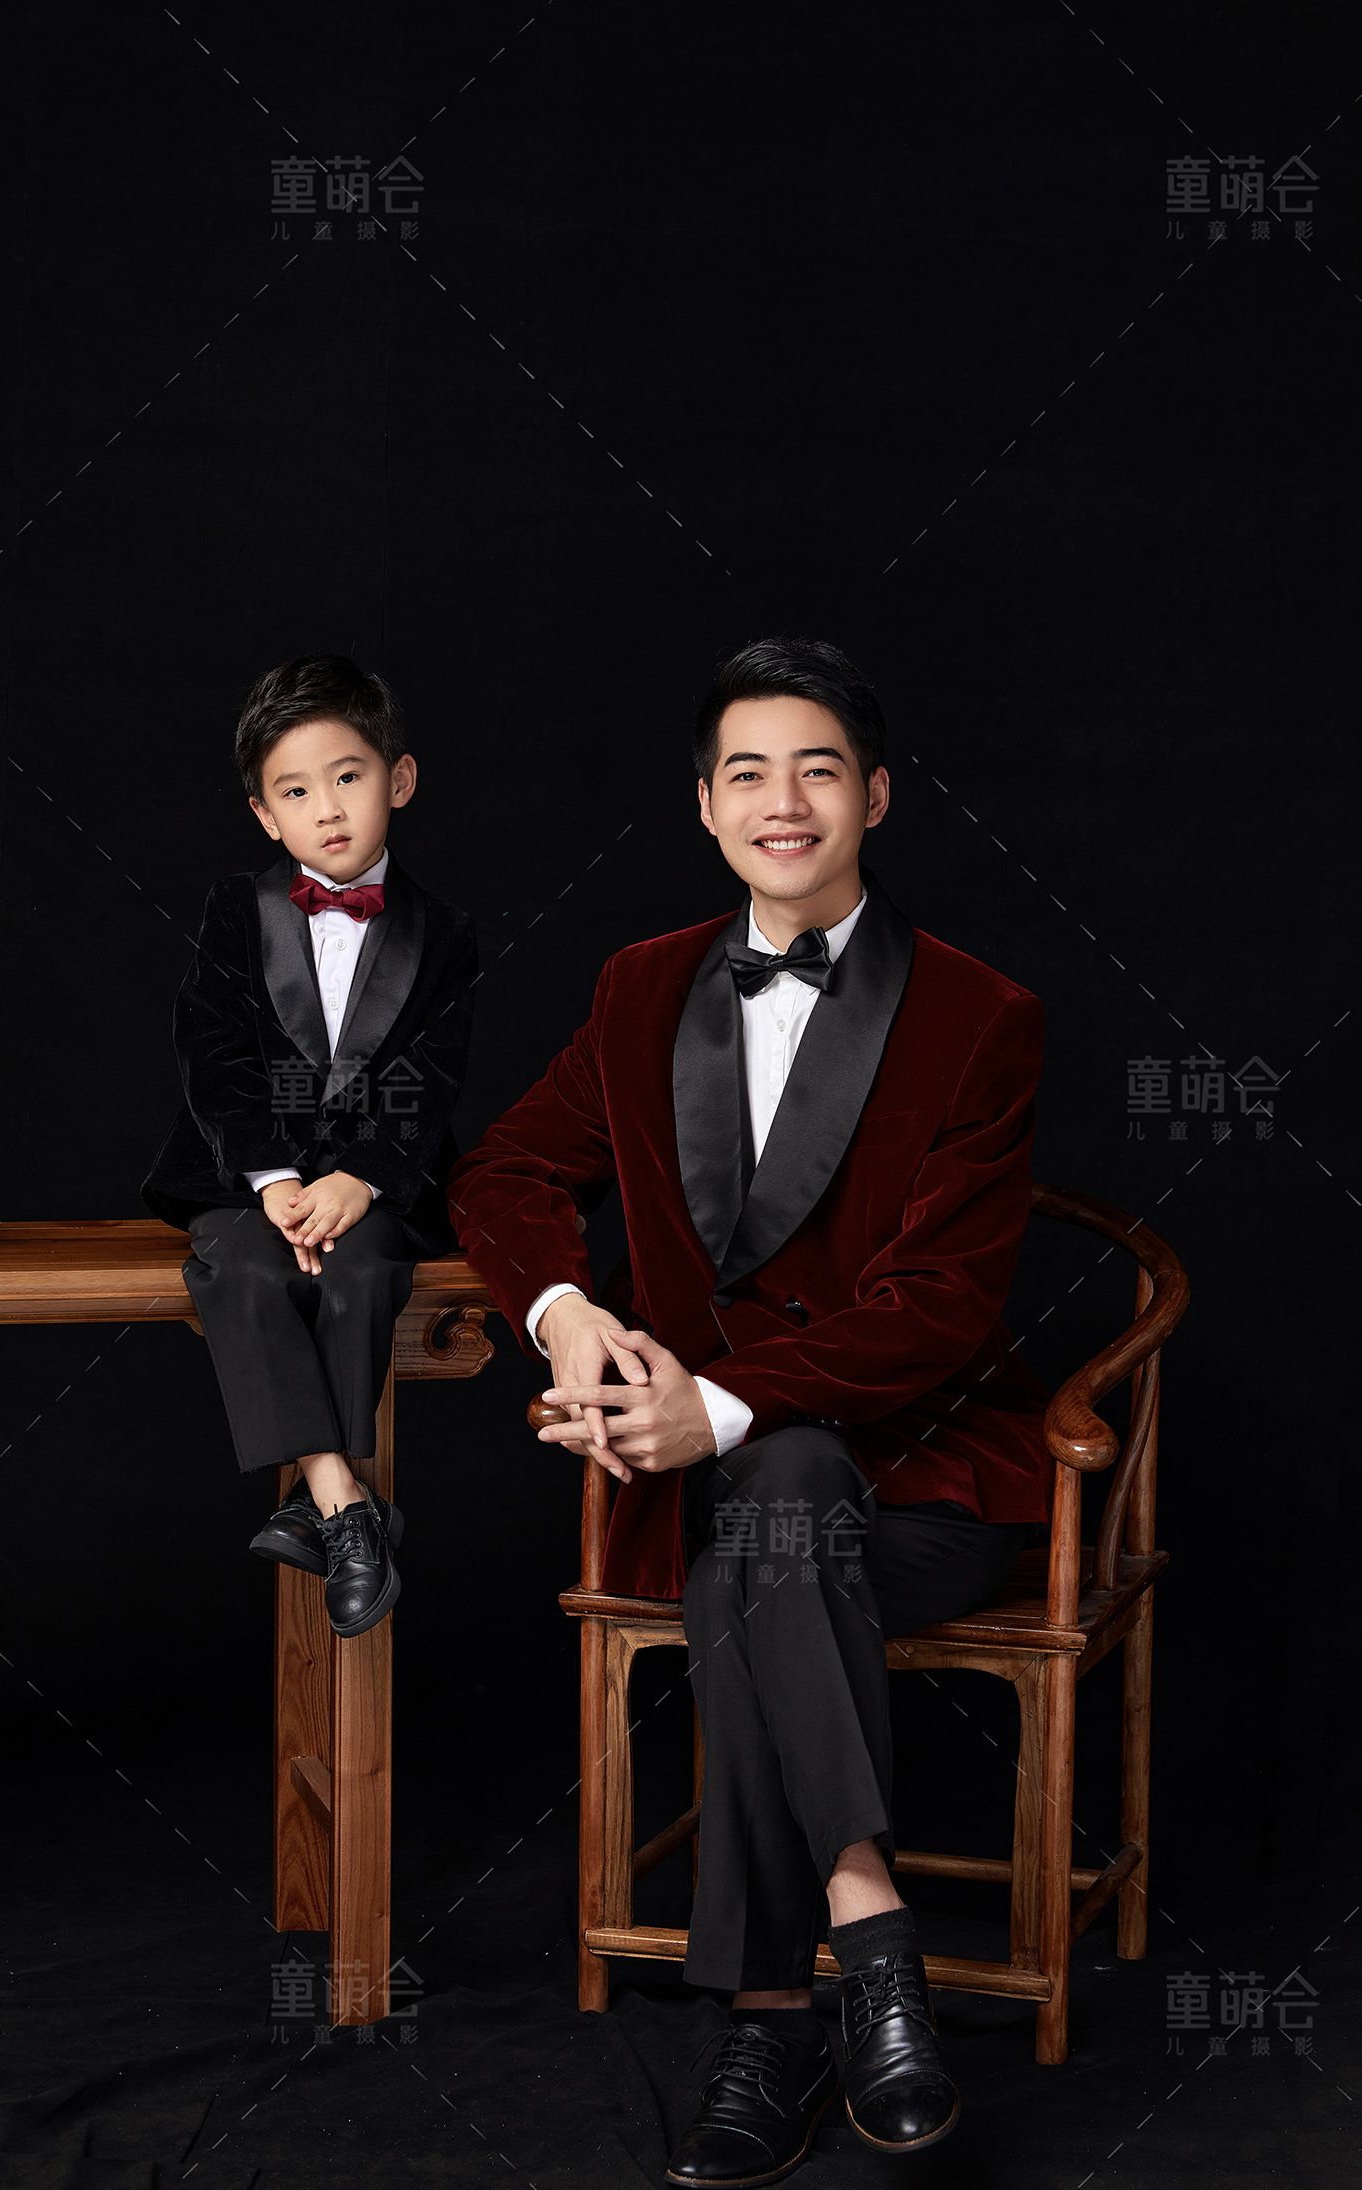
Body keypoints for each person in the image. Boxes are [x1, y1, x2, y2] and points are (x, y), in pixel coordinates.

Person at [447, 636, 1052, 2183]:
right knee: (765, 1528)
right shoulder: (641, 985)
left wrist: (710, 1406)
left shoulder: (980, 1013)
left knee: (761, 1528)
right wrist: (568, 1313)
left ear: (877, 797)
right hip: (729, 1488)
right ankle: (871, 1936)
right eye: (749, 773)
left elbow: (941, 1307)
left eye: (819, 769)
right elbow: (508, 1171)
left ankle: (772, 2022)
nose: (784, 802)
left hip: (919, 1486)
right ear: (707, 805)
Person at [141, 654, 479, 1638]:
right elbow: (212, 1055)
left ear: (398, 779)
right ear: (264, 815)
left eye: (348, 776)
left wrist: (361, 1178)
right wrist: (275, 1177)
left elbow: (429, 1077)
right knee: (244, 1268)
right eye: (295, 791)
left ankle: (318, 1509)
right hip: (244, 1176)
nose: (326, 809)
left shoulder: (443, 932)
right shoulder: (234, 912)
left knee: (363, 1272)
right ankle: (342, 1498)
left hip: (378, 1182)